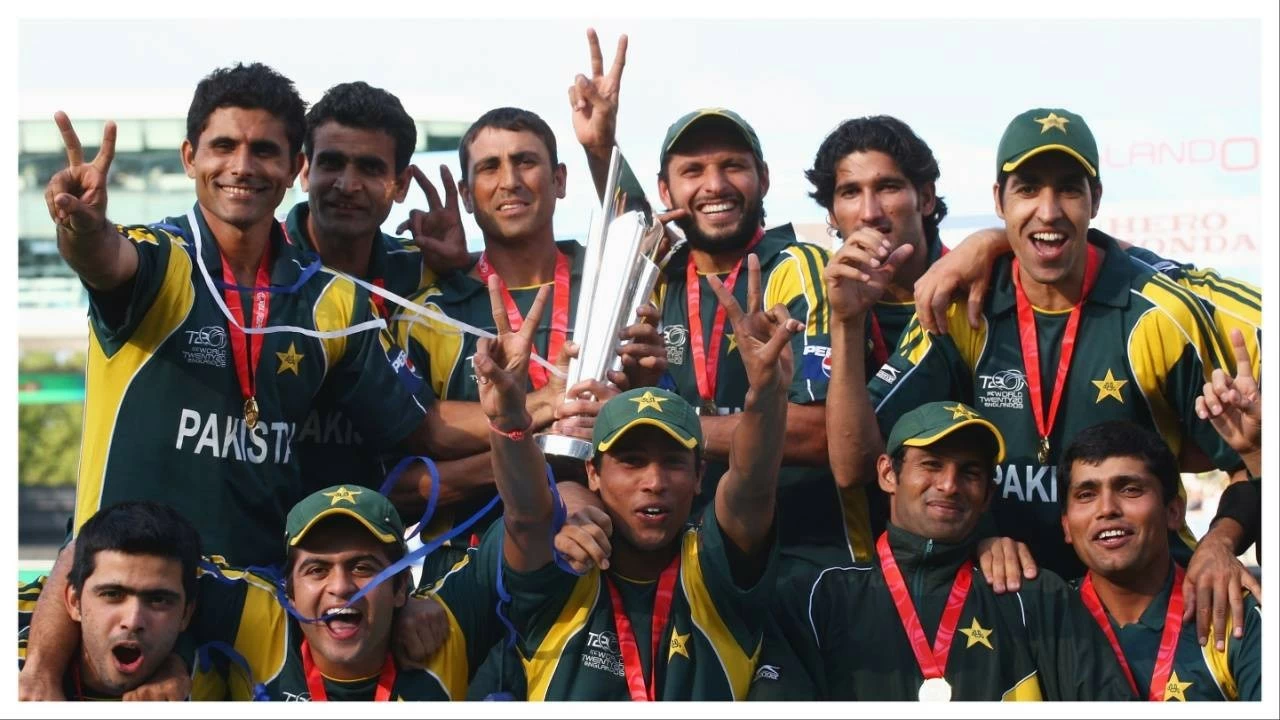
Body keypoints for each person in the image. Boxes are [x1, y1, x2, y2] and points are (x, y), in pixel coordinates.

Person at [22, 62, 490, 700]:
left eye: (264, 149)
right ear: (190, 157)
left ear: (293, 164)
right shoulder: (162, 260)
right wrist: (80, 228)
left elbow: (423, 425)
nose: (242, 166)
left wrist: (542, 409)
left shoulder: (334, 302)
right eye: (223, 146)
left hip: (254, 621)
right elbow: (105, 259)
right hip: (136, 599)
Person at [829, 107, 1244, 581]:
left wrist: (1220, 544)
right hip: (1007, 596)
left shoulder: (1160, 315)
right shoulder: (960, 307)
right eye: (1027, 189)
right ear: (1000, 201)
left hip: (1140, 602)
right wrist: (846, 321)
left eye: (1068, 188)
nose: (1048, 211)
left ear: (1096, 198)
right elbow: (856, 467)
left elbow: (1249, 461)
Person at [569, 30, 849, 563]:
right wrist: (600, 149)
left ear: (763, 179)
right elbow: (628, 226)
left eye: (733, 166)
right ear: (666, 191)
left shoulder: (797, 267)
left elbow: (819, 435)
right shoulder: (657, 277)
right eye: (692, 171)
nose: (714, 184)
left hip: (798, 556)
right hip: (679, 560)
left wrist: (671, 425)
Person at [489, 256, 799, 700]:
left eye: (673, 462)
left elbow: (752, 485)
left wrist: (768, 393)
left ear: (699, 477)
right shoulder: (561, 561)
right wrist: (507, 418)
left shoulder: (716, 565)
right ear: (592, 473)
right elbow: (523, 511)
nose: (654, 481)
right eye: (632, 461)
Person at [392, 105, 666, 585]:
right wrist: (540, 423)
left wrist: (640, 399)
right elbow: (410, 453)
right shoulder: (427, 312)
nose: (510, 181)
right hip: (466, 570)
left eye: (526, 162)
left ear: (559, 180)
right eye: (489, 167)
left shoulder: (616, 285)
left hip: (606, 559)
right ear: (467, 195)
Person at [752, 401, 1135, 701]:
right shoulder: (815, 599)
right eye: (931, 465)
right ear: (888, 474)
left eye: (970, 472)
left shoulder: (1035, 596)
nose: (950, 485)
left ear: (987, 494)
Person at [1059, 420, 1260, 701]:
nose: (1106, 509)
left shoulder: (1234, 614)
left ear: (1174, 512)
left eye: (1129, 489)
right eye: (1086, 495)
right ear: (1067, 526)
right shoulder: (1044, 621)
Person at [18, 502, 202, 700]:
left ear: (186, 613)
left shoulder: (219, 663)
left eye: (158, 599)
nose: (133, 621)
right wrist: (40, 671)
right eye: (112, 594)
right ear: (74, 602)